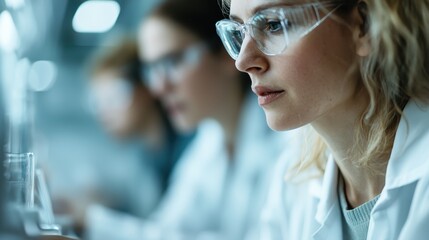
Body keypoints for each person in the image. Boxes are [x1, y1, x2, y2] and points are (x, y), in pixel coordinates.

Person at [216, 0, 429, 239]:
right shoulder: (293, 181)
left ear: (364, 25)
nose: (242, 62)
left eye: (273, 25)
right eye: (238, 32)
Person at [115, 0, 291, 239]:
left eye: (173, 61)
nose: (159, 87)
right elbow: (168, 229)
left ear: (225, 52)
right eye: (152, 69)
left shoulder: (288, 136)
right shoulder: (209, 141)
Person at [55, 37, 193, 238]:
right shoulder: (147, 155)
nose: (104, 112)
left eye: (114, 96)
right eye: (98, 102)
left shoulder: (190, 149)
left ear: (146, 87)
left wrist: (93, 219)